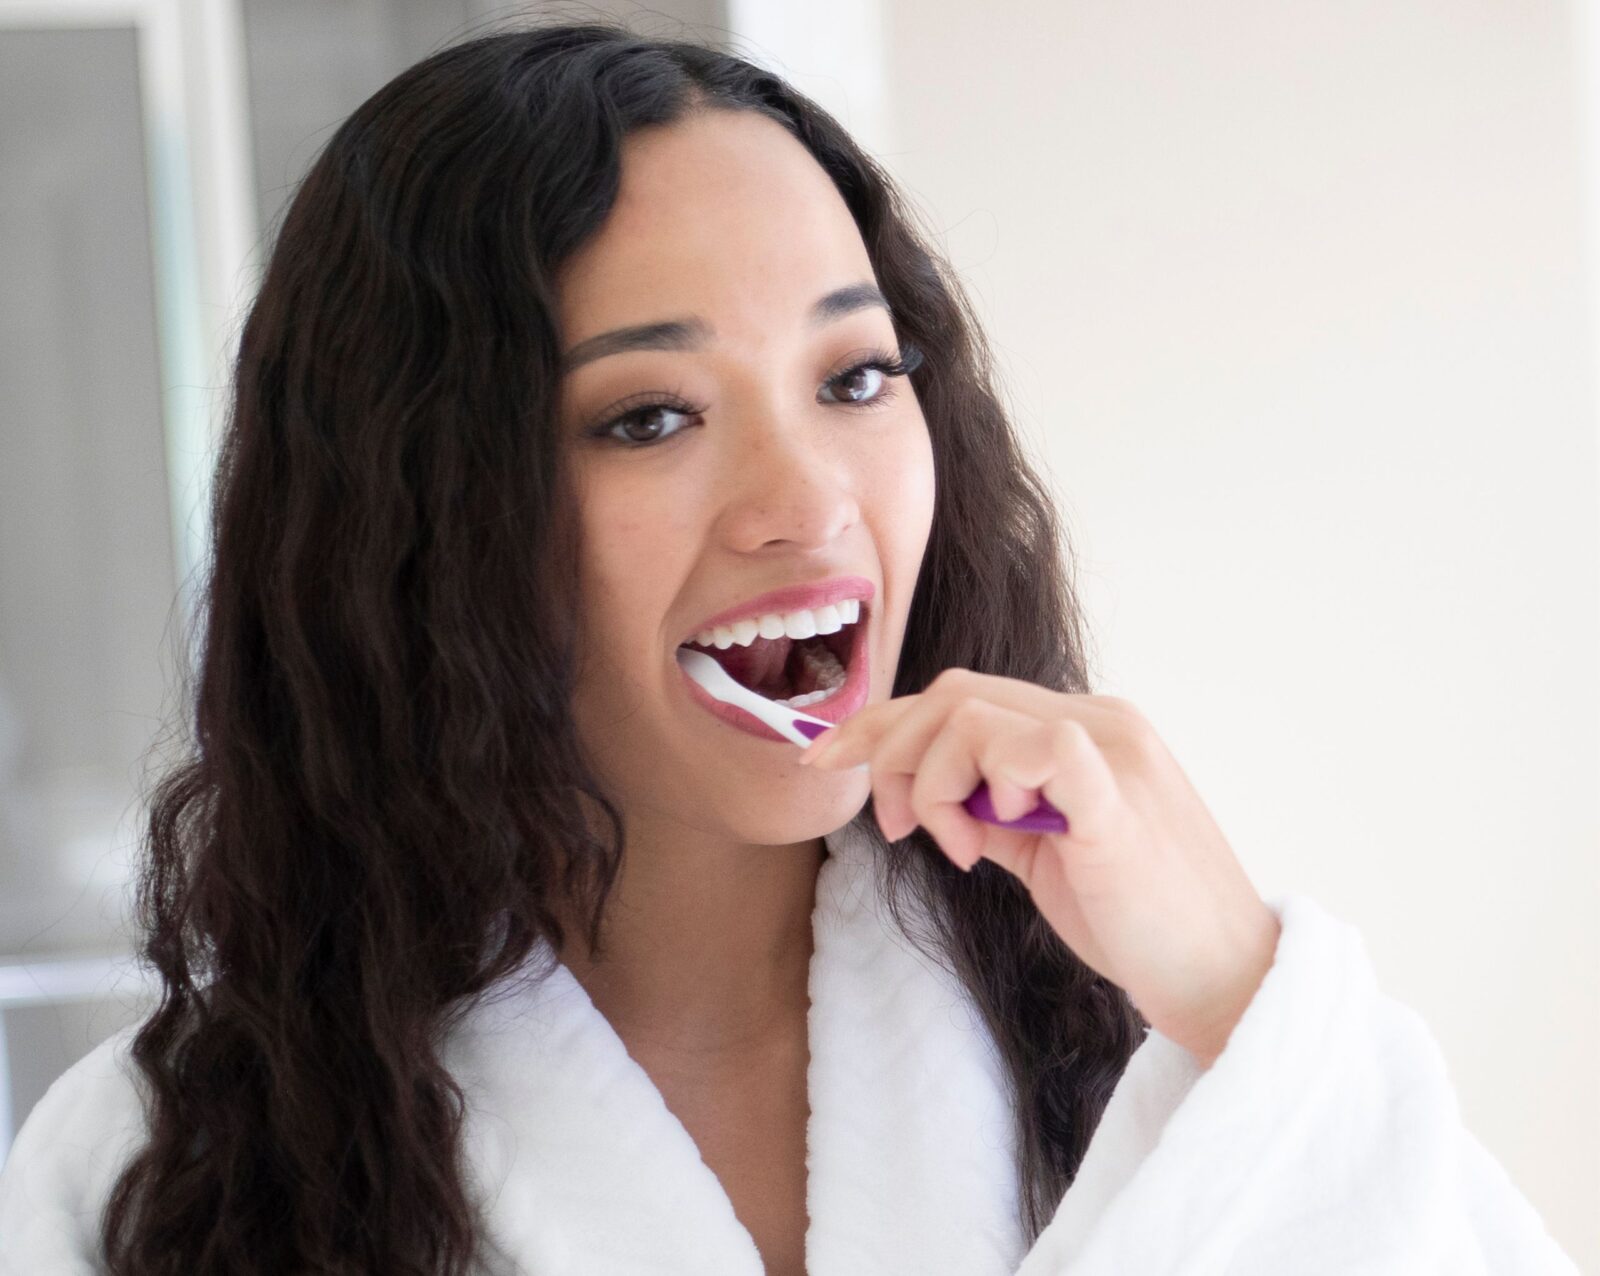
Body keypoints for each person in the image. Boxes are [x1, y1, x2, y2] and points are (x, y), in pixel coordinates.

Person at [0, 19, 1580, 1276]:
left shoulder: (1177, 1048)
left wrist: (1237, 986)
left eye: (855, 376)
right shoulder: (156, 1173)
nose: (807, 500)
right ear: (416, 517)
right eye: (650, 416)